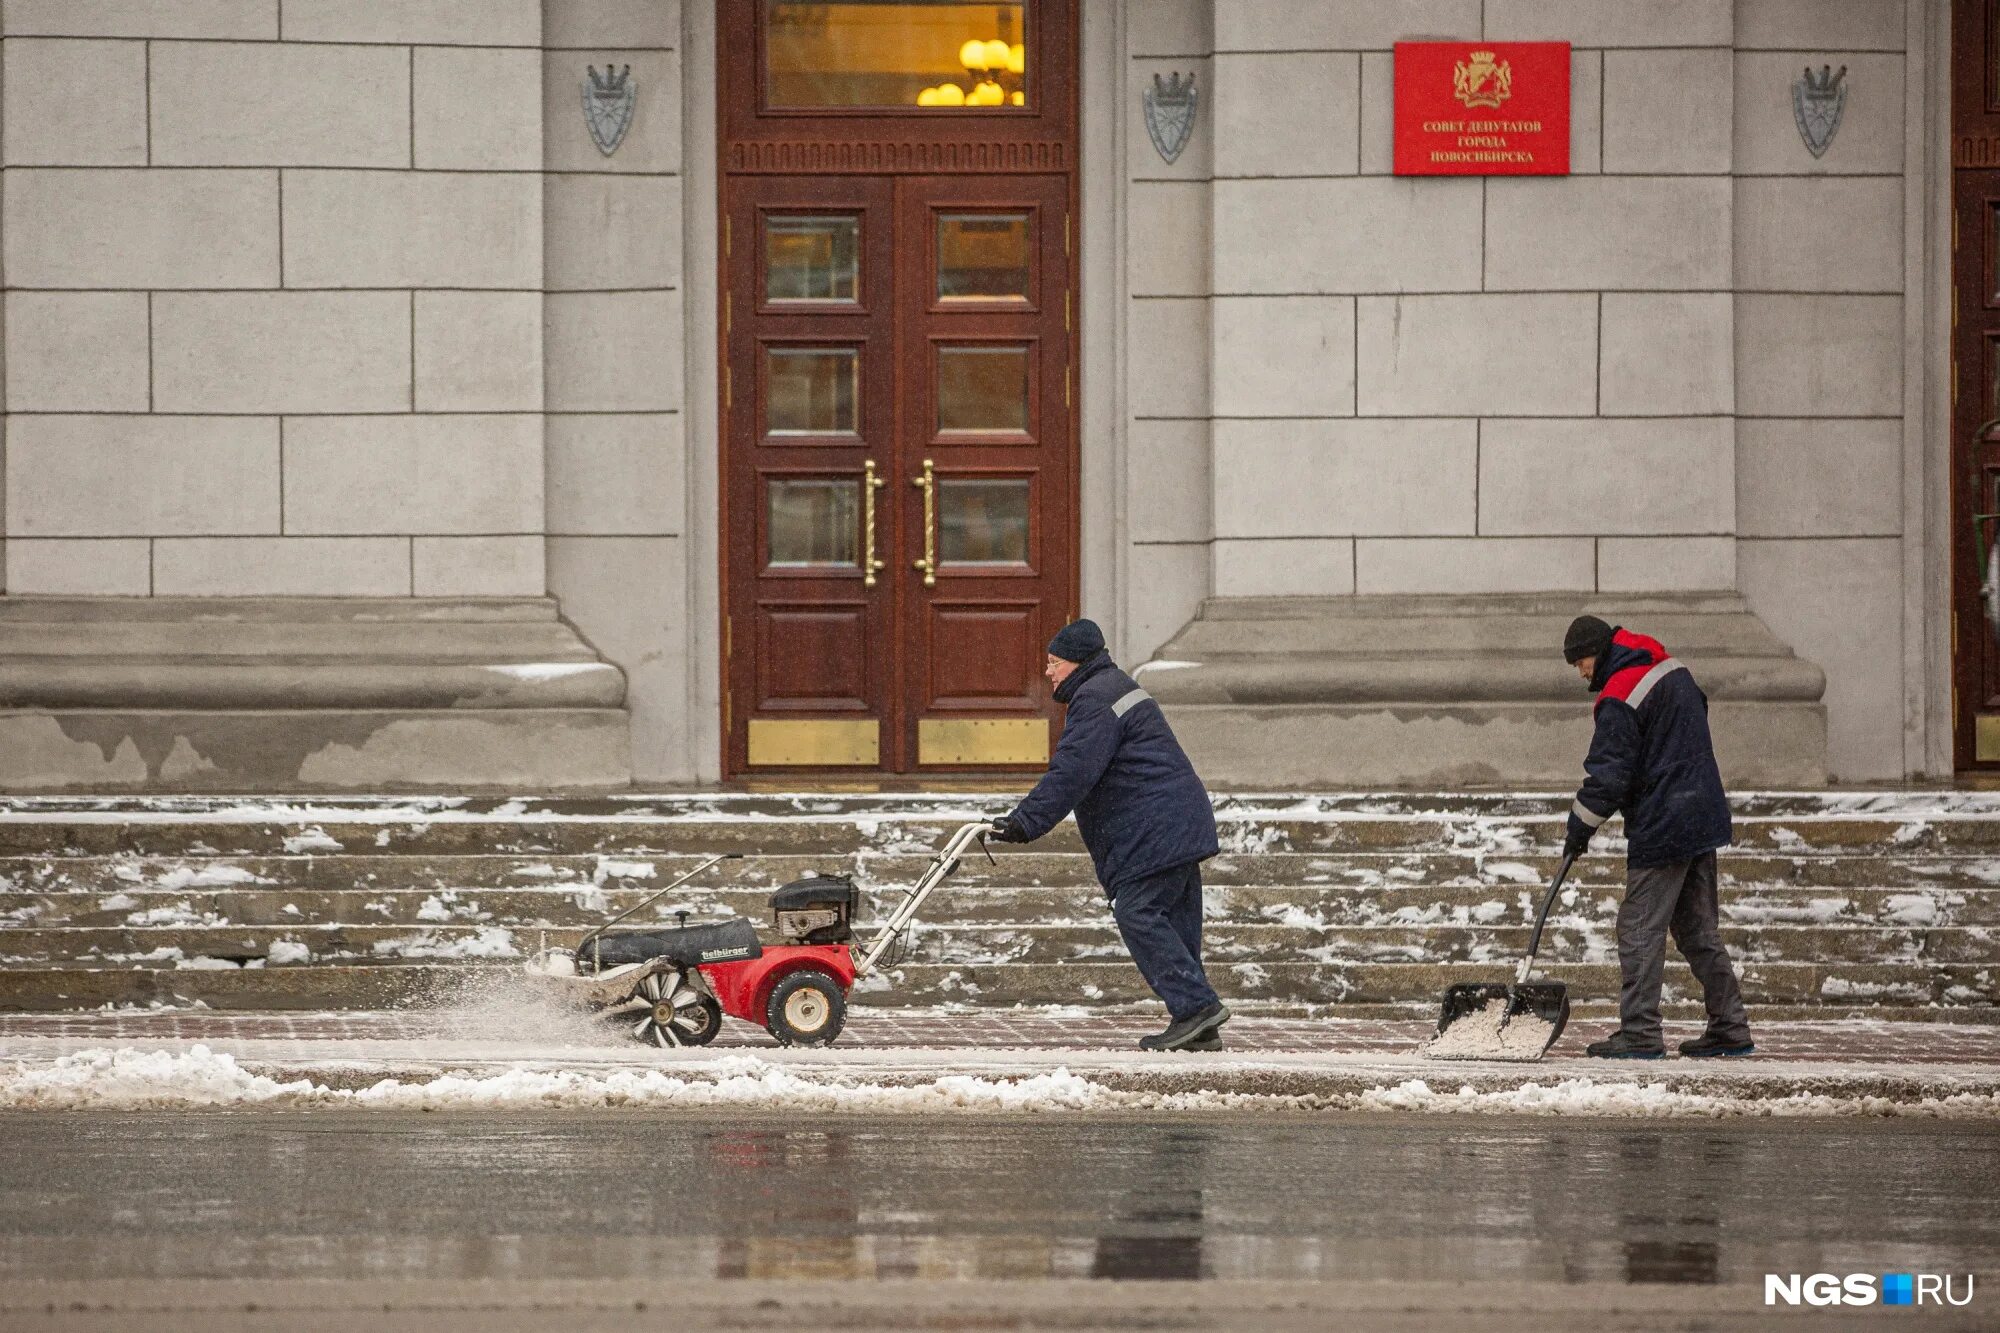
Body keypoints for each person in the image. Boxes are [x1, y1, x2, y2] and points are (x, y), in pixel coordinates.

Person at [988, 618, 1227, 1051]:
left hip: (1154, 827)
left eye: (1054, 663)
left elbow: (1072, 772)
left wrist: (1026, 821)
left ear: (1077, 663)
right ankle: (1198, 1023)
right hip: (1175, 821)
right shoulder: (1112, 686)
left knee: (1138, 913)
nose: (1048, 672)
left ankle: (1196, 1008)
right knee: (1174, 921)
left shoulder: (1096, 698)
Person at [1562, 615, 1755, 1059]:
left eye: (1582, 662)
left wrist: (1578, 828)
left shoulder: (1620, 694)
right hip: (1702, 812)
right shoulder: (1671, 669)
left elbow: (1609, 776)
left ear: (1600, 651)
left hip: (1665, 822)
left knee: (1638, 929)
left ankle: (1641, 1032)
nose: (1582, 673)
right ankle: (1730, 1026)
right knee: (1697, 929)